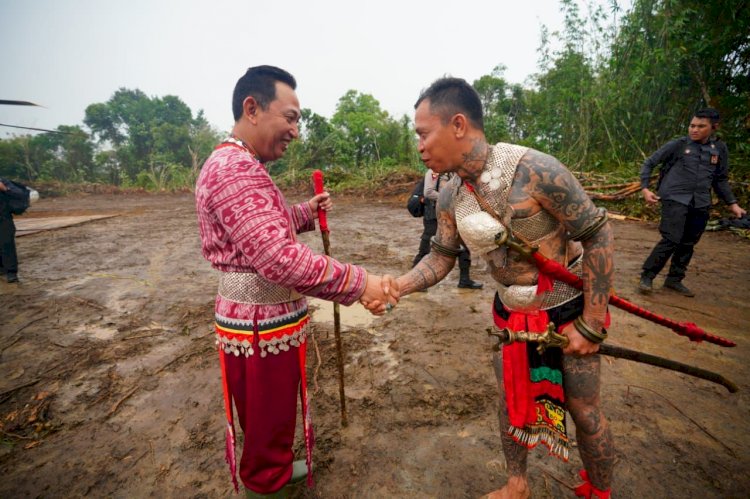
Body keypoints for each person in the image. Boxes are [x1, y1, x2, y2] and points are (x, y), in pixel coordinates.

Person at [387, 77, 616, 498]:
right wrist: (396, 286)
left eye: (423, 133)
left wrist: (591, 323)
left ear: (458, 124)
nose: (419, 145)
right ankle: (516, 483)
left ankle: (601, 491)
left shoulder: (536, 170)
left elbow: (598, 236)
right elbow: (441, 257)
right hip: (509, 314)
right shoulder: (449, 193)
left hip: (566, 310)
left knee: (584, 411)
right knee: (511, 400)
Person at [195, 65, 396, 498]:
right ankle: (267, 484)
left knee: (273, 413)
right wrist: (360, 283)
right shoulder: (235, 170)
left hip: (263, 322)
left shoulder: (240, 164)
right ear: (252, 108)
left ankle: (275, 466)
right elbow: (277, 258)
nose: (295, 131)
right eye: (290, 117)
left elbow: (262, 228)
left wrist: (304, 212)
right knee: (267, 415)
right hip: (257, 323)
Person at [638, 108, 746, 297]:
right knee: (671, 238)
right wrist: (645, 188)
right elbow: (650, 162)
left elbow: (720, 179)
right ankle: (647, 276)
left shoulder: (719, 149)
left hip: (701, 201)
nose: (694, 130)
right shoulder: (678, 145)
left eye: (701, 126)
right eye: (692, 125)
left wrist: (733, 204)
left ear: (714, 127)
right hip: (674, 197)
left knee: (688, 242)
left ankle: (674, 279)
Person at [412, 168, 483, 289]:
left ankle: (464, 279)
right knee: (427, 246)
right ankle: (415, 281)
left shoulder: (456, 173)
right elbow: (428, 192)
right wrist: (447, 199)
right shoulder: (434, 172)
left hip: (454, 214)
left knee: (463, 245)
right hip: (434, 215)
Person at [0, 178, 23, 283]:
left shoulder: (4, 182)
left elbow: (19, 194)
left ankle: (11, 273)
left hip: (4, 219)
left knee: (7, 244)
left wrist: (5, 188)